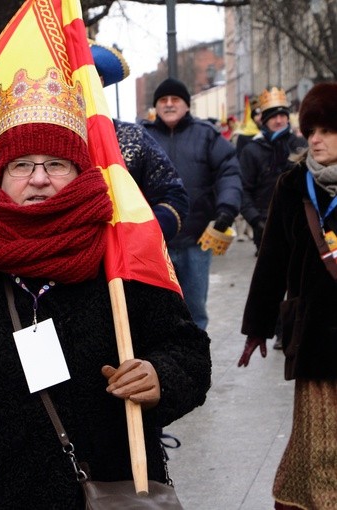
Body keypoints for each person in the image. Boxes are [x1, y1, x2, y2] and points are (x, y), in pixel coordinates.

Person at [0, 67, 212, 508]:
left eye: (56, 164)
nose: (39, 178)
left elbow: (190, 353)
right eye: (22, 165)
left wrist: (161, 375)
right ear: (0, 177)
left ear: (80, 172)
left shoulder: (119, 260)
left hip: (106, 493)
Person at [238, 82, 337, 510]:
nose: (314, 138)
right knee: (319, 444)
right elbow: (272, 262)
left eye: (327, 130)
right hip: (314, 334)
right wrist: (257, 327)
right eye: (310, 129)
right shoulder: (293, 185)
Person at [142, 77, 243, 330]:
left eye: (175, 99)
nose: (168, 104)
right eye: (163, 100)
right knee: (156, 313)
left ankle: (197, 367)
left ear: (186, 105)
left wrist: (226, 210)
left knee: (195, 313)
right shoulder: (143, 136)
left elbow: (229, 172)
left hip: (196, 242)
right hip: (154, 244)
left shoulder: (206, 135)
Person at [91, 41, 188, 241]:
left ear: (99, 82)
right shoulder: (33, 138)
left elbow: (173, 196)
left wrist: (142, 236)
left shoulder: (131, 136)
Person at [239, 86, 307, 252]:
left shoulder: (301, 146)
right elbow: (243, 190)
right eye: (273, 116)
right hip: (264, 226)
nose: (278, 120)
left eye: (282, 115)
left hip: (300, 225)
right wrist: (256, 221)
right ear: (265, 120)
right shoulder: (251, 150)